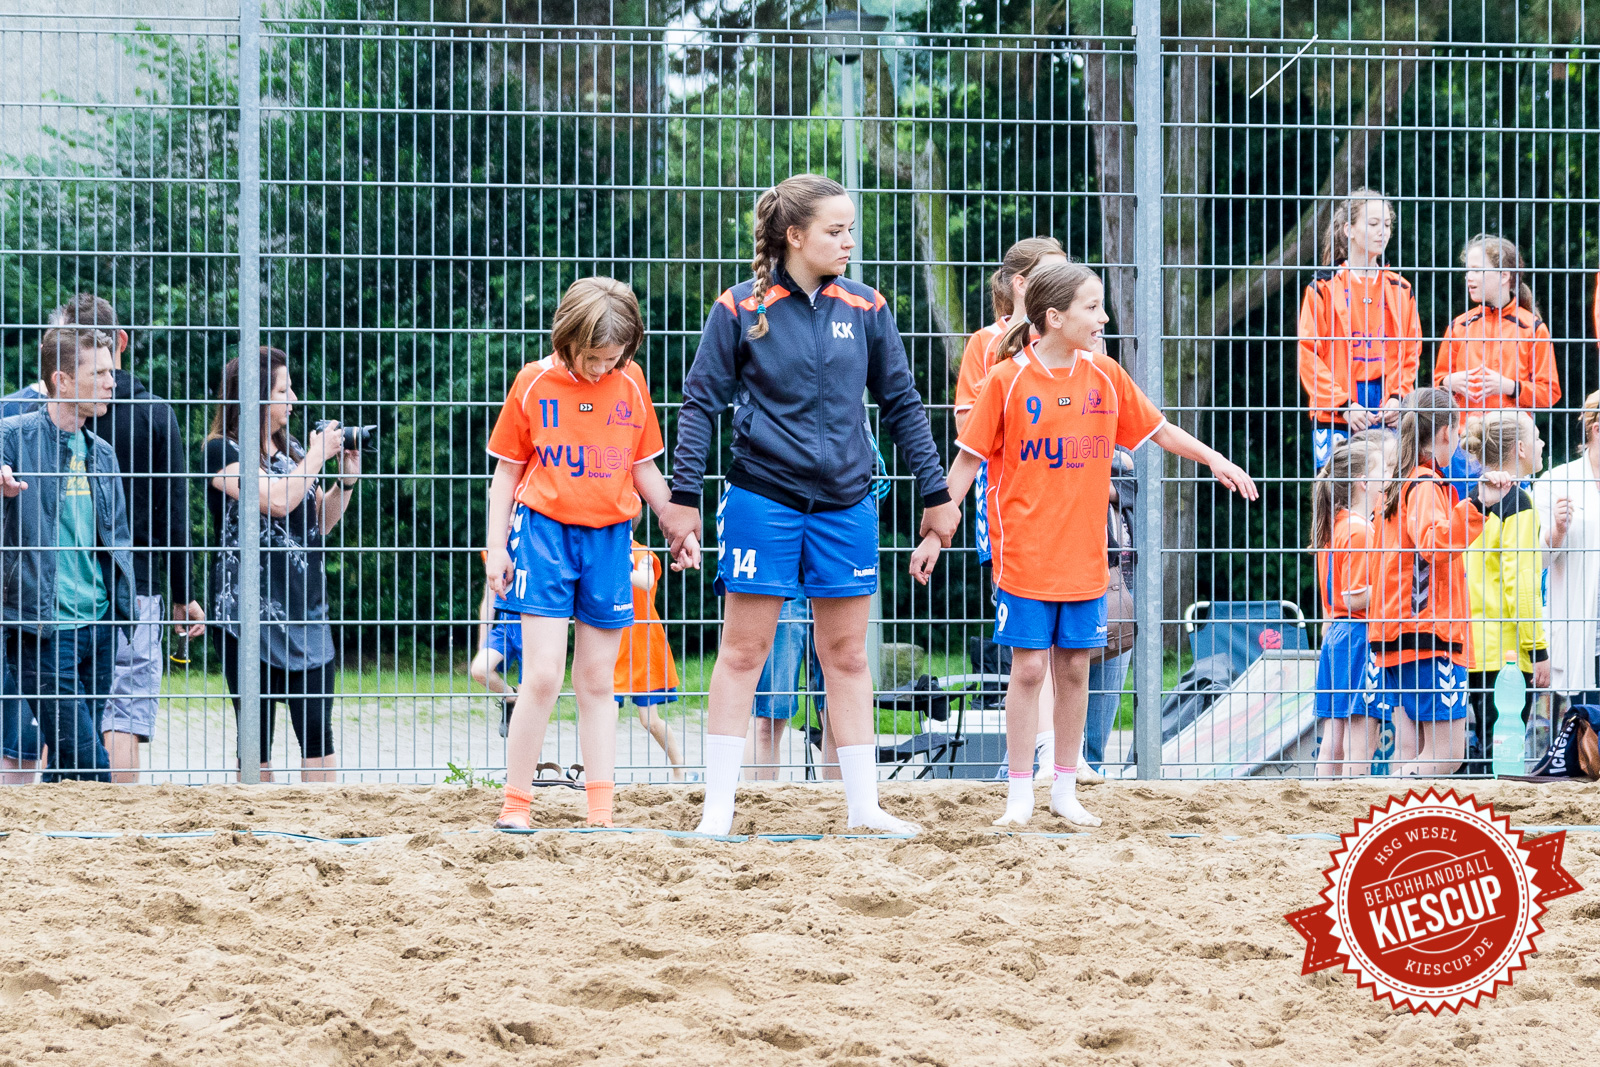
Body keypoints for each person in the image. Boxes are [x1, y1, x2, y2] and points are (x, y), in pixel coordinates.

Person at [657, 173, 960, 837]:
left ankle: (864, 807)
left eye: (851, 228)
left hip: (846, 504)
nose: (849, 240)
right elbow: (699, 404)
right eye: (835, 230)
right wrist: (682, 499)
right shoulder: (739, 308)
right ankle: (717, 811)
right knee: (744, 651)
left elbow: (903, 403)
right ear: (795, 236)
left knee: (847, 656)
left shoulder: (867, 306)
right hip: (763, 497)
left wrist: (936, 495)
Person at [910, 260, 1258, 826]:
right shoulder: (1007, 380)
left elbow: (1159, 430)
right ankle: (1019, 792)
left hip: (1086, 555)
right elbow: (968, 461)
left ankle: (1064, 789)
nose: (1104, 318)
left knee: (1074, 669)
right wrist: (934, 533)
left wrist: (1214, 458)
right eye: (1092, 308)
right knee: (1027, 671)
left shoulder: (1105, 375)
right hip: (1025, 552)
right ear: (1053, 317)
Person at [484, 277, 695, 830]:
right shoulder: (533, 383)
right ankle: (516, 807)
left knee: (600, 681)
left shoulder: (631, 382)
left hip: (610, 540)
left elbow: (643, 466)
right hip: (543, 536)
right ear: (567, 338)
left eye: (614, 356)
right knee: (544, 676)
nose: (603, 367)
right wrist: (495, 547)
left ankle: (600, 813)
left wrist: (677, 523)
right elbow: (506, 472)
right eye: (593, 357)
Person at [49, 294, 206, 783]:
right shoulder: (154, 414)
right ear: (121, 341)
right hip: (134, 584)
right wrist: (183, 595)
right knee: (124, 715)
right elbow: (174, 513)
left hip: (63, 585)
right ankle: (117, 826)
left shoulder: (46, 414)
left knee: (66, 707)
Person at [204, 346, 359, 783]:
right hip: (247, 618)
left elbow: (316, 523)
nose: (292, 400)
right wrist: (315, 458)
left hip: (304, 609)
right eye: (282, 390)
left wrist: (345, 480)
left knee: (318, 736)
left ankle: (321, 832)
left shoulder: (290, 448)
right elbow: (274, 501)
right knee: (255, 741)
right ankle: (262, 836)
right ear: (253, 397)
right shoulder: (221, 451)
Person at [0, 327, 136, 781]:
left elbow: (115, 539)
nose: (110, 382)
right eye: (97, 373)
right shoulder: (14, 437)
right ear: (60, 379)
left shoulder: (103, 455)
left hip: (96, 625)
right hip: (40, 627)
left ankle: (57, 849)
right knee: (90, 765)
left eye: (110, 372)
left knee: (68, 763)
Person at [1366, 388, 1513, 776]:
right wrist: (1480, 505)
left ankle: (1399, 823)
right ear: (1446, 433)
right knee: (1447, 754)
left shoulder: (1399, 485)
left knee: (1411, 747)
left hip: (1400, 633)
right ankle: (1383, 807)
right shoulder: (1425, 484)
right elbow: (1435, 542)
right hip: (1429, 635)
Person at [1297, 188, 1421, 468]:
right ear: (1348, 229)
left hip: (1385, 408)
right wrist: (1343, 405)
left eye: (1387, 225)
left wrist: (1397, 398)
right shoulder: (1323, 288)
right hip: (1338, 408)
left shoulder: (1400, 288)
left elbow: (1410, 352)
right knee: (1336, 494)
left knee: (1386, 495)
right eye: (1374, 224)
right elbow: (1309, 355)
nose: (1383, 232)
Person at [1434, 235, 1560, 500]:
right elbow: (1437, 384)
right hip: (1465, 446)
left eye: (1477, 270)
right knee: (1464, 522)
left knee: (1510, 526)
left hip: (1511, 448)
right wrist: (1449, 383)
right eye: (1467, 269)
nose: (1469, 277)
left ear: (1504, 275)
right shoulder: (1459, 326)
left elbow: (1550, 393)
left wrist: (1510, 387)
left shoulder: (1532, 328)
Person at [1460, 411, 1549, 774]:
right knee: (1504, 757)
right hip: (1507, 654)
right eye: (1539, 437)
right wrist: (1537, 647)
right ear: (1522, 449)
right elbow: (1521, 582)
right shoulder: (1519, 502)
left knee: (1481, 750)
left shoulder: (1474, 498)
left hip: (1472, 646)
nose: (1543, 444)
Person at [1309, 441, 1386, 778]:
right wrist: (1399, 584)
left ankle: (1321, 805)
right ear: (1363, 481)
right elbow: (1354, 596)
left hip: (1341, 634)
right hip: (1358, 634)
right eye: (1384, 470)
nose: (1391, 476)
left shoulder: (1338, 526)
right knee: (1359, 737)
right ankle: (1351, 806)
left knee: (1335, 737)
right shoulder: (1358, 530)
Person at [1533, 392, 1599, 705]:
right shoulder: (1557, 481)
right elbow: (1537, 561)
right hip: (1583, 636)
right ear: (1596, 429)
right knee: (1586, 737)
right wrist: (1557, 531)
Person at [613, 525, 687, 780]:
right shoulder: (602, 552)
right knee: (605, 712)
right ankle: (596, 773)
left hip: (643, 645)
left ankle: (680, 769)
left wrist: (618, 563)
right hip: (610, 644)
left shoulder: (642, 553)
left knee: (650, 721)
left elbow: (645, 581)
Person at [468, 569, 520, 738]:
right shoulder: (502, 552)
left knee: (527, 702)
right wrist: (483, 642)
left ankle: (526, 757)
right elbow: (489, 599)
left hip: (532, 628)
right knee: (480, 669)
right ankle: (510, 698)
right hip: (506, 627)